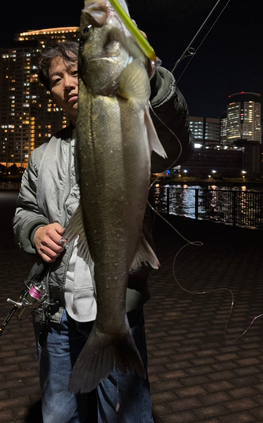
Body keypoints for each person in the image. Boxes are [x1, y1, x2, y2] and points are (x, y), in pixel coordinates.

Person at [13, 39, 193, 423]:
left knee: (125, 415)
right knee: (59, 415)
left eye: (76, 72)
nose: (68, 84)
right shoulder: (41, 156)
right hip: (57, 312)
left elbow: (176, 144)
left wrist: (153, 79)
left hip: (115, 313)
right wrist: (35, 232)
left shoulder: (131, 125)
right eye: (56, 79)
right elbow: (24, 212)